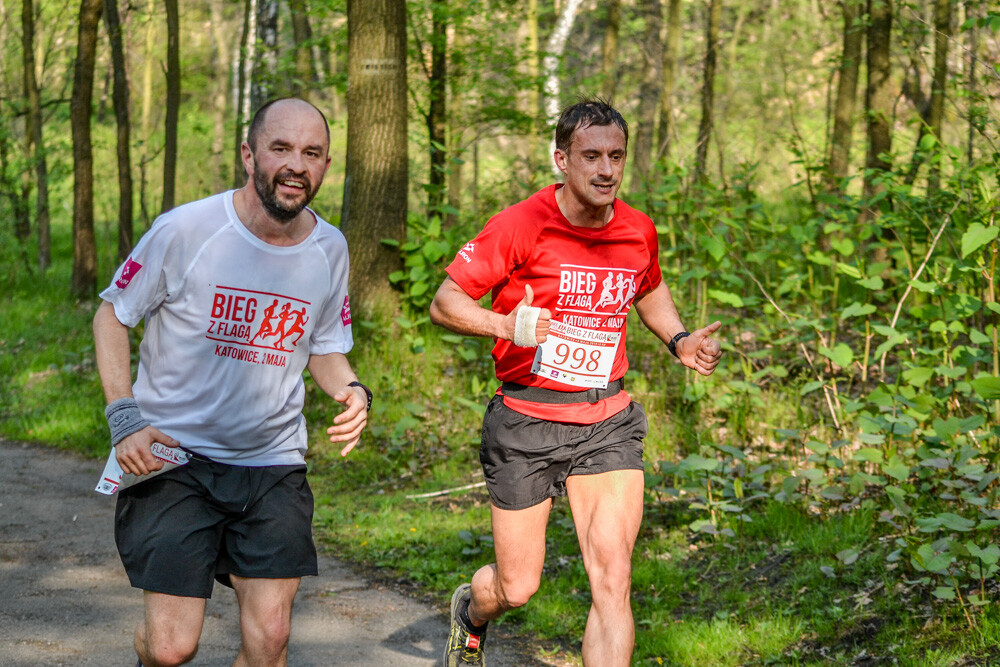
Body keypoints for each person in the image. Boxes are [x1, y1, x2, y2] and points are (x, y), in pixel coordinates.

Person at [429, 98, 722, 667]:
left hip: (606, 420)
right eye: (591, 156)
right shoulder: (521, 224)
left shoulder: (638, 229)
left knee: (612, 577)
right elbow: (446, 302)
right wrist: (505, 325)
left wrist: (679, 339)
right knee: (517, 587)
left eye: (616, 156)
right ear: (561, 159)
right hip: (526, 420)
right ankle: (471, 611)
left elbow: (647, 287)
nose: (606, 170)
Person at [93, 97, 372, 667]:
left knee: (270, 640)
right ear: (249, 155)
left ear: (326, 164)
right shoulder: (187, 230)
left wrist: (353, 391)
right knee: (171, 649)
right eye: (280, 148)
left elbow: (324, 347)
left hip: (272, 464)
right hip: (173, 458)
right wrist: (124, 416)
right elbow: (113, 315)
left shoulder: (330, 248)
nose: (296, 165)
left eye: (312, 153)